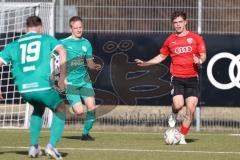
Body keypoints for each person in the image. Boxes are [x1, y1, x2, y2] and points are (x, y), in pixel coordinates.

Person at [0, 16, 67, 159]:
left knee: (38, 108)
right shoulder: (46, 38)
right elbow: (62, 51)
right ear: (41, 27)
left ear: (25, 29)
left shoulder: (14, 44)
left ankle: (33, 147)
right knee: (60, 108)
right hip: (43, 86)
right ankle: (52, 146)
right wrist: (62, 77)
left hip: (24, 90)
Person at [135, 11, 206, 144]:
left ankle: (182, 136)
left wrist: (200, 60)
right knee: (178, 105)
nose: (178, 25)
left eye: (180, 22)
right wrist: (146, 63)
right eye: (175, 22)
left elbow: (203, 55)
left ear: (185, 22)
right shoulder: (170, 40)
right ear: (173, 24)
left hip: (192, 79)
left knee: (190, 109)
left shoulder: (196, 38)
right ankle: (173, 113)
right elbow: (161, 56)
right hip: (177, 78)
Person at [61, 16, 101, 141]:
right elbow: (53, 59)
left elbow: (89, 63)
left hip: (85, 81)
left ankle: (85, 133)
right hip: (71, 82)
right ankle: (63, 104)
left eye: (80, 27)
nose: (79, 30)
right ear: (71, 28)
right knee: (79, 111)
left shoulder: (86, 43)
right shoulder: (63, 43)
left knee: (92, 107)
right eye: (76, 27)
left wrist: (94, 66)